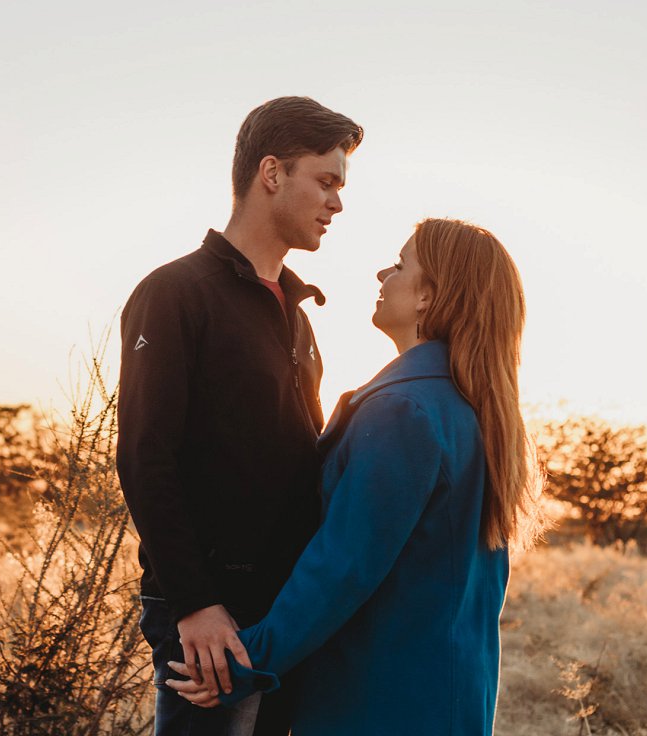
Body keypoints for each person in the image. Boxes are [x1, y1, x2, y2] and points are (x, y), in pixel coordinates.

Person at [167, 218, 544, 735]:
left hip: (380, 700)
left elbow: (342, 568)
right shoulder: (473, 410)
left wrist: (241, 662)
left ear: (427, 298)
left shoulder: (404, 411)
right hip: (445, 698)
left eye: (400, 264)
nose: (382, 273)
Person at [117, 97, 363, 736]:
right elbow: (146, 456)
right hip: (210, 613)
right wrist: (194, 603)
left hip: (289, 612)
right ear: (272, 172)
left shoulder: (298, 313)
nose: (338, 203)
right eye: (327, 181)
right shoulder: (174, 293)